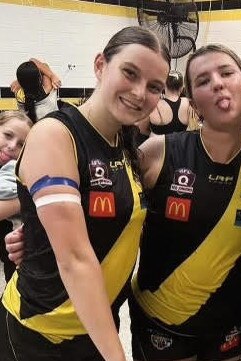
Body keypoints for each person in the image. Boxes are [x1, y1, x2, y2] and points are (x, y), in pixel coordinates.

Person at [0, 25, 170, 361]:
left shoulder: (124, 143)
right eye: (130, 73)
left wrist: (35, 233)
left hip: (94, 324)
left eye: (154, 87)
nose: (140, 92)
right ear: (100, 65)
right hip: (41, 331)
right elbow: (75, 260)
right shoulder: (55, 133)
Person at [129, 44, 241, 361]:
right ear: (194, 104)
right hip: (161, 321)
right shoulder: (158, 152)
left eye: (226, 72)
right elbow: (102, 204)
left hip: (229, 323)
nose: (218, 83)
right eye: (204, 80)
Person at [0, 111, 32, 283]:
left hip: (17, 257)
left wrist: (25, 197)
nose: (12, 146)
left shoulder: (15, 171)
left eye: (21, 144)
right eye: (7, 135)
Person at [11, 58, 62, 123]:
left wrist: (22, 79)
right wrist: (52, 76)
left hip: (31, 128)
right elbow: (41, 64)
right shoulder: (47, 88)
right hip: (53, 126)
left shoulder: (17, 92)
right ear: (40, 79)